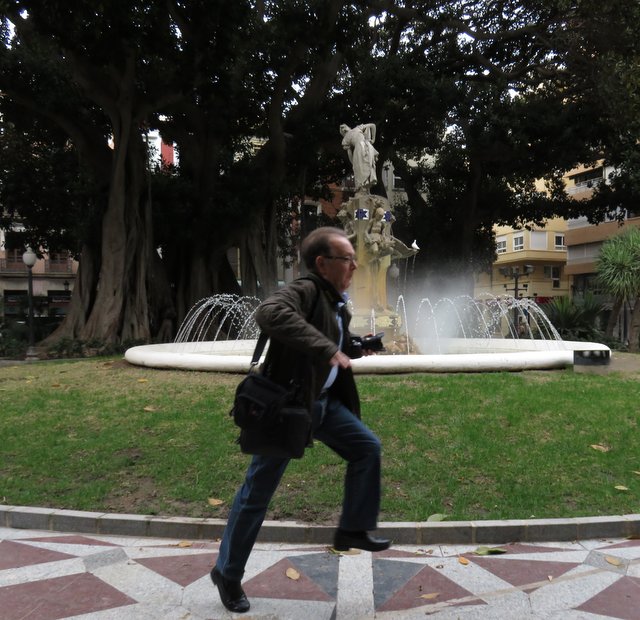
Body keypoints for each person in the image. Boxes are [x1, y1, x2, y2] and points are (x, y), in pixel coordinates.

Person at [211, 226, 391, 613]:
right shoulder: (305, 289)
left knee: (367, 448)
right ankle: (227, 573)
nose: (355, 266)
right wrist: (326, 347)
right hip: (288, 409)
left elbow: (330, 343)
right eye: (347, 259)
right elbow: (270, 313)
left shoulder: (334, 301)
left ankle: (352, 530)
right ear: (322, 263)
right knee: (257, 495)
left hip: (323, 405)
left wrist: (355, 346)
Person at [339, 122, 379, 193]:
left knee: (367, 166)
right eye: (341, 129)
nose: (343, 129)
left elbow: (373, 125)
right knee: (363, 168)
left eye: (344, 127)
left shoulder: (357, 128)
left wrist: (373, 139)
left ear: (348, 127)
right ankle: (364, 190)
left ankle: (365, 189)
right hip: (362, 148)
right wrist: (353, 163)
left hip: (364, 147)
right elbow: (349, 152)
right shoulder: (347, 137)